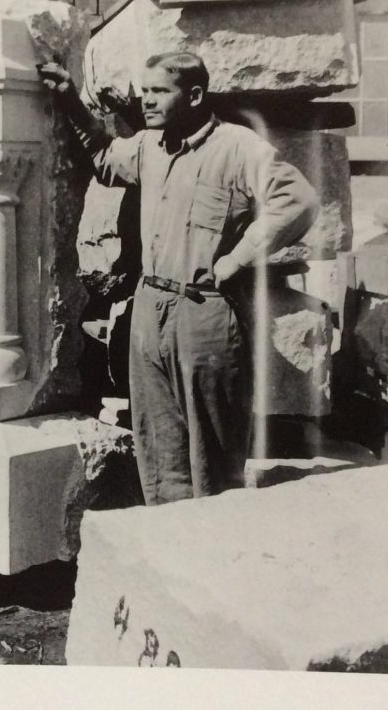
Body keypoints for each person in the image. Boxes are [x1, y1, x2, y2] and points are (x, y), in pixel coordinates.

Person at [39, 52, 318, 504]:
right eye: (144, 91)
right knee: (158, 451)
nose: (146, 101)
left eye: (158, 92)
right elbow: (106, 157)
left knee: (210, 460)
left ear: (193, 96)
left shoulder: (238, 147)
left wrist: (239, 257)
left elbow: (298, 199)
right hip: (150, 310)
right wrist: (70, 98)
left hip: (205, 313)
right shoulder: (150, 146)